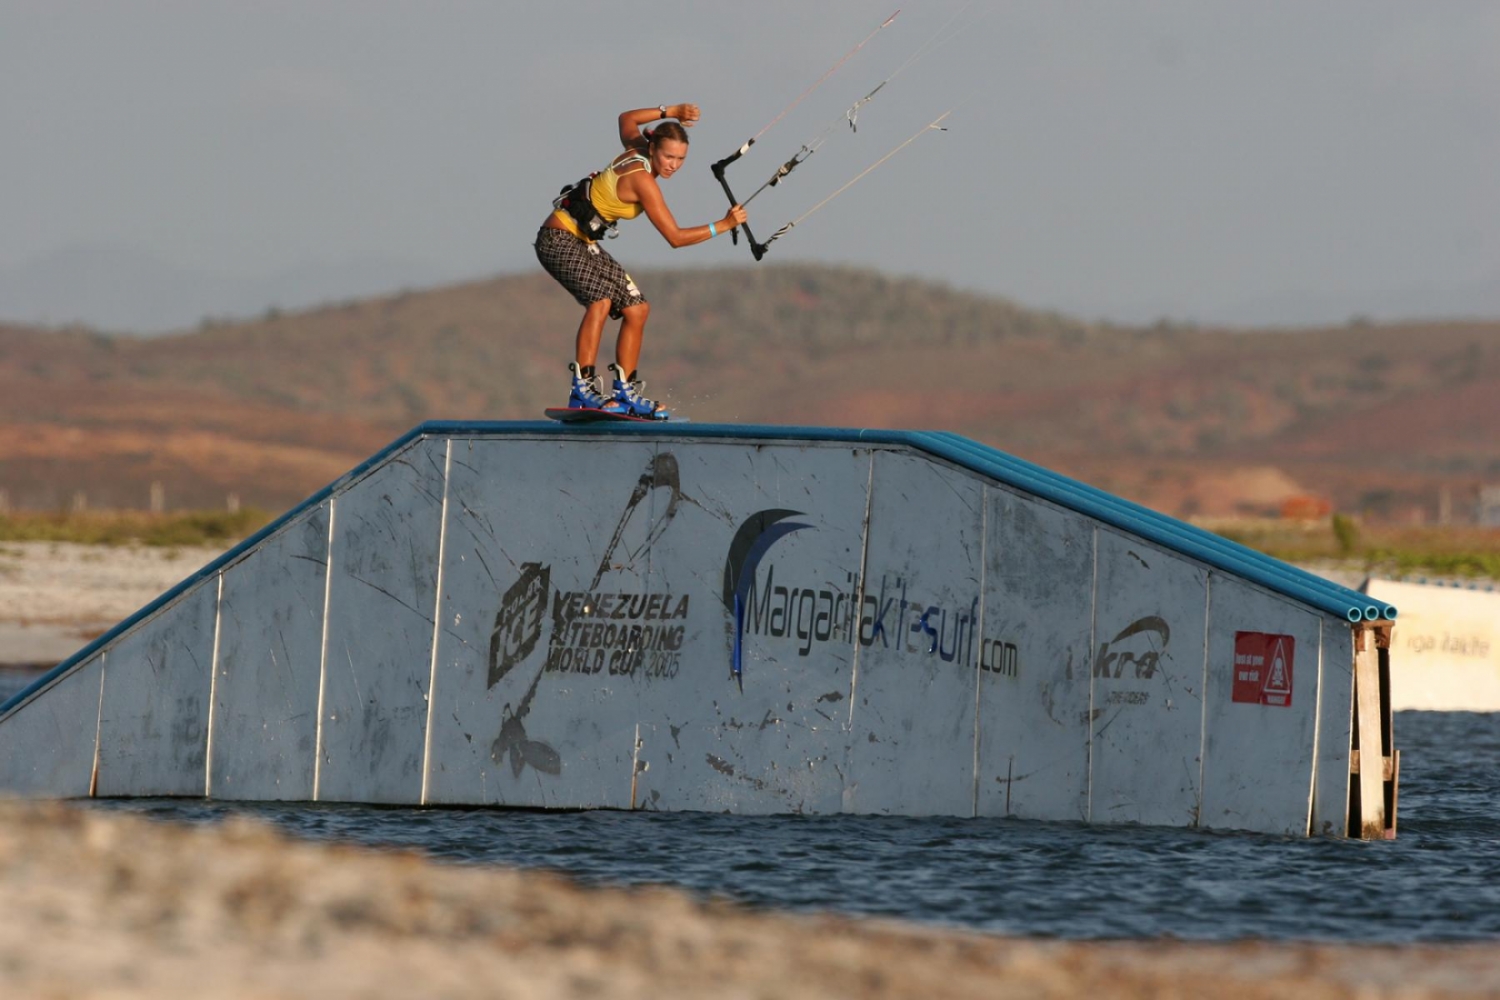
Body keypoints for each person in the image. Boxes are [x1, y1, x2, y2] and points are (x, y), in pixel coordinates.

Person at [536, 104, 748, 418]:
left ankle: (625, 392)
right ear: (653, 148)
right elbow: (675, 238)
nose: (674, 165)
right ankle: (582, 389)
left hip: (583, 242)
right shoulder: (643, 182)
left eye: (681, 159)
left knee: (637, 308)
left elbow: (626, 118)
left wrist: (671, 110)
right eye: (668, 157)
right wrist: (723, 226)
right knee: (601, 300)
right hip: (556, 240)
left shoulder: (637, 148)